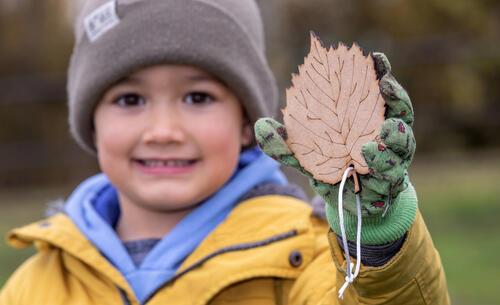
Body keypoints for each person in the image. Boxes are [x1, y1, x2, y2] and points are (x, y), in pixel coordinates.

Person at [0, 0, 450, 304]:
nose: (162, 130)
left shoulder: (306, 255)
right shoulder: (37, 285)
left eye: (197, 98)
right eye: (129, 100)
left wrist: (373, 237)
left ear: (244, 124)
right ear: (91, 122)